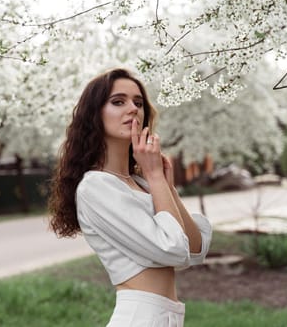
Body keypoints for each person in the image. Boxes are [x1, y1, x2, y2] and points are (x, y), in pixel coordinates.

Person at [48, 68, 212, 327]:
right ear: (95, 114)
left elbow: (196, 249)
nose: (133, 109)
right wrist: (156, 177)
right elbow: (173, 249)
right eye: (118, 102)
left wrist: (165, 187)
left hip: (168, 317)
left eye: (138, 102)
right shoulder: (95, 187)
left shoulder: (141, 182)